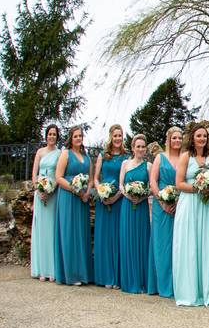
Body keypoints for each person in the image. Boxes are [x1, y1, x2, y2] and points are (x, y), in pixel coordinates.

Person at [173, 124, 209, 307]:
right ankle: (190, 291)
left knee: (205, 244)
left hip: (205, 206)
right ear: (192, 138)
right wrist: (198, 188)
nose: (202, 138)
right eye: (199, 135)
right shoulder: (185, 157)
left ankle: (207, 290)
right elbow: (179, 183)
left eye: (204, 136)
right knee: (189, 244)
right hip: (189, 204)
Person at [53, 125, 93, 285]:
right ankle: (71, 274)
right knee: (69, 233)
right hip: (68, 197)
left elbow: (90, 179)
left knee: (81, 234)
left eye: (80, 136)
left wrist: (87, 192)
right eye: (76, 136)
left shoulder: (87, 157)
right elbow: (58, 177)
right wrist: (74, 189)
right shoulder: (66, 154)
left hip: (83, 199)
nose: (78, 139)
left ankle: (83, 273)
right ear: (71, 138)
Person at [147, 126, 183, 298]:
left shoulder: (184, 158)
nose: (177, 141)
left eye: (180, 138)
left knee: (177, 244)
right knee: (162, 244)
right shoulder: (160, 158)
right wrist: (161, 200)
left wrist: (178, 200)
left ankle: (177, 284)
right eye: (174, 138)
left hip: (179, 205)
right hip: (161, 206)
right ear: (168, 139)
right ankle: (161, 284)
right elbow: (153, 181)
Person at [93, 124, 128, 289]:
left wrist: (116, 197)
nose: (118, 138)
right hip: (103, 201)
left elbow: (126, 181)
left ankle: (117, 276)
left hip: (119, 201)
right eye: (115, 135)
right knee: (104, 237)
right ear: (110, 137)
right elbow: (95, 178)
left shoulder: (126, 157)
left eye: (120, 135)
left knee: (117, 237)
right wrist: (100, 192)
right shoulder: (102, 155)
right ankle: (104, 276)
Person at [118, 135, 152, 294]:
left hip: (141, 206)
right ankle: (129, 281)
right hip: (127, 205)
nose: (140, 149)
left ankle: (142, 281)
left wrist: (142, 196)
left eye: (143, 147)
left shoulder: (149, 166)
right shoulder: (125, 163)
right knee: (128, 240)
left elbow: (151, 187)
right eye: (138, 146)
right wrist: (129, 195)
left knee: (141, 240)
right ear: (132, 148)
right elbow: (120, 185)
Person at [30, 124, 61, 281]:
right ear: (46, 135)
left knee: (51, 230)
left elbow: (58, 175)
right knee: (41, 230)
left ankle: (52, 270)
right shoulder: (40, 152)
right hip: (40, 194)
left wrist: (50, 190)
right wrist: (39, 190)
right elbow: (34, 174)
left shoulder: (59, 153)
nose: (51, 137)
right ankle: (41, 269)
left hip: (52, 194)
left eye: (54, 134)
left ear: (57, 136)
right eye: (49, 134)